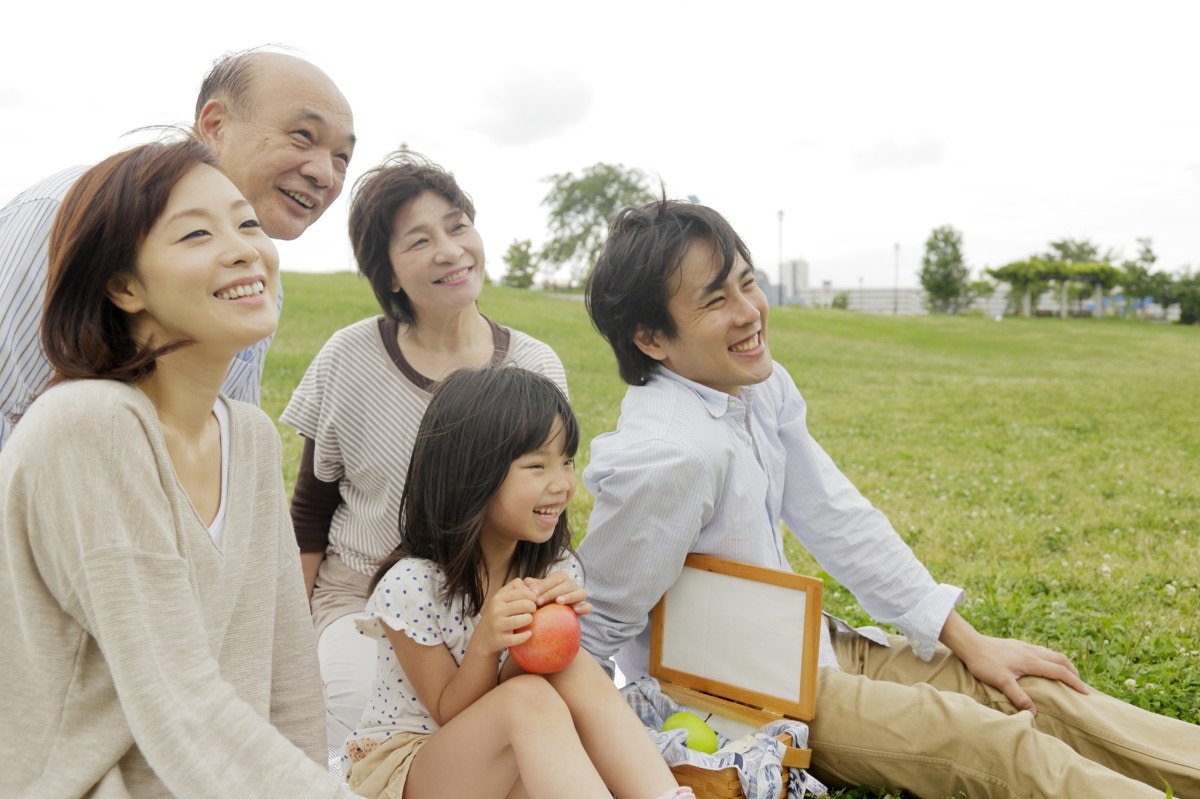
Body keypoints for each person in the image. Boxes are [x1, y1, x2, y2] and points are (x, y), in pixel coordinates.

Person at [576, 199, 1200, 799]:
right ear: (652, 338)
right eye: (716, 300)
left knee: (1033, 690)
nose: (749, 312)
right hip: (747, 699)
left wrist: (969, 642)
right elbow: (598, 623)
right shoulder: (667, 455)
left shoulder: (755, 383)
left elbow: (834, 515)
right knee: (988, 739)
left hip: (810, 645)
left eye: (748, 283)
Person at [0, 138, 359, 797]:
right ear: (124, 286)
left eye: (246, 222)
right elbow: (181, 704)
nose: (244, 247)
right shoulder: (89, 425)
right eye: (196, 233)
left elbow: (289, 684)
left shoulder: (248, 437)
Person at [280, 151, 568, 753]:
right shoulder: (348, 355)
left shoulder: (534, 366)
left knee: (537, 726)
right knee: (358, 735)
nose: (450, 250)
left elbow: (547, 510)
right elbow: (310, 510)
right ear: (387, 274)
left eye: (458, 225)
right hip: (363, 599)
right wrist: (286, 637)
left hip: (490, 605)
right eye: (419, 240)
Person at [342, 365, 690, 799]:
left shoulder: (555, 569)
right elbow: (452, 713)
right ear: (473, 476)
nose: (562, 483)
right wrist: (487, 642)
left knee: (567, 668)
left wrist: (541, 634)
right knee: (528, 700)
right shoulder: (412, 585)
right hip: (411, 767)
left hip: (506, 757)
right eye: (537, 465)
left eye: (566, 461)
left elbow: (517, 691)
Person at [0, 45, 356, 449]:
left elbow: (221, 441)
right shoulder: (65, 215)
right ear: (216, 125)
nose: (325, 174)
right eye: (303, 136)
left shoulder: (250, 281)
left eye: (342, 157)